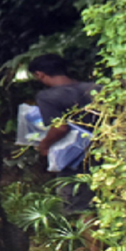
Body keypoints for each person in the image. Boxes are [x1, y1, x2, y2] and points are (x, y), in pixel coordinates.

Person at [29, 54, 100, 214]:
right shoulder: (95, 88)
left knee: (80, 209)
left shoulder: (47, 97)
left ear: (40, 74)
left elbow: (60, 128)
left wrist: (45, 144)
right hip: (106, 153)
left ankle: (87, 230)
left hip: (75, 160)